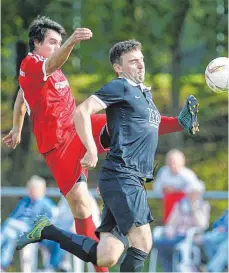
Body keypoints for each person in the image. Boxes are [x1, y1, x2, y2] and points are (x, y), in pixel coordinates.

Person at [2, 16, 199, 271]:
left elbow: (21, 96)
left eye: (60, 42)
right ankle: (86, 260)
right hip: (58, 144)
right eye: (53, 42)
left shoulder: (46, 72)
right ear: (36, 43)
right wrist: (72, 41)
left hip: (77, 128)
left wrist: (17, 129)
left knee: (130, 120)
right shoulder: (32, 63)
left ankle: (179, 122)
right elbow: (42, 72)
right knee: (82, 206)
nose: (57, 46)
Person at [0, 175, 57, 271]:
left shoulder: (45, 203)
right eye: (30, 188)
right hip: (18, 230)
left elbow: (54, 218)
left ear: (41, 189)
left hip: (31, 229)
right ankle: (2, 265)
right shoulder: (25, 201)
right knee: (10, 235)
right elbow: (14, 215)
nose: (31, 191)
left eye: (34, 188)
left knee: (9, 224)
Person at [153, 181, 210, 272]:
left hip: (192, 237)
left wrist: (194, 208)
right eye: (190, 192)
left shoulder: (203, 205)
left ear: (199, 193)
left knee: (166, 245)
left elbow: (203, 225)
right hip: (177, 235)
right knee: (160, 243)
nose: (191, 195)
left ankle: (175, 269)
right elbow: (170, 222)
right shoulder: (180, 204)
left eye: (194, 193)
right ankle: (169, 269)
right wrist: (170, 229)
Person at [153, 149, 202, 223]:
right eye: (170, 161)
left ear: (182, 162)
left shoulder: (187, 174)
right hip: (169, 209)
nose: (172, 164)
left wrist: (178, 190)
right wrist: (164, 189)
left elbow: (198, 188)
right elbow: (156, 188)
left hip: (185, 209)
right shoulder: (164, 172)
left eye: (174, 162)